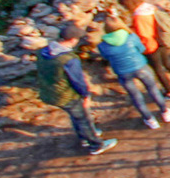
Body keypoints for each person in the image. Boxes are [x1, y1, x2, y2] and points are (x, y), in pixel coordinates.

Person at [34, 23, 117, 156]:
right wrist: (86, 95)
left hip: (49, 92)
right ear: (73, 40)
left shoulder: (43, 51)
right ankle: (96, 144)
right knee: (82, 117)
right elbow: (77, 80)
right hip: (66, 95)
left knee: (76, 116)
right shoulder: (69, 59)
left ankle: (85, 136)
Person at [96, 15, 170, 130]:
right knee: (153, 89)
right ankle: (165, 112)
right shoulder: (131, 37)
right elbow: (142, 49)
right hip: (141, 67)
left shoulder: (102, 45)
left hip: (123, 72)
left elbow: (105, 57)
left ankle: (150, 120)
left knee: (135, 96)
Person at [119, 0, 170, 99]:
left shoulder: (139, 16)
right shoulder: (149, 8)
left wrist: (141, 48)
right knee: (168, 63)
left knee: (158, 69)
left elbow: (144, 35)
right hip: (161, 40)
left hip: (151, 46)